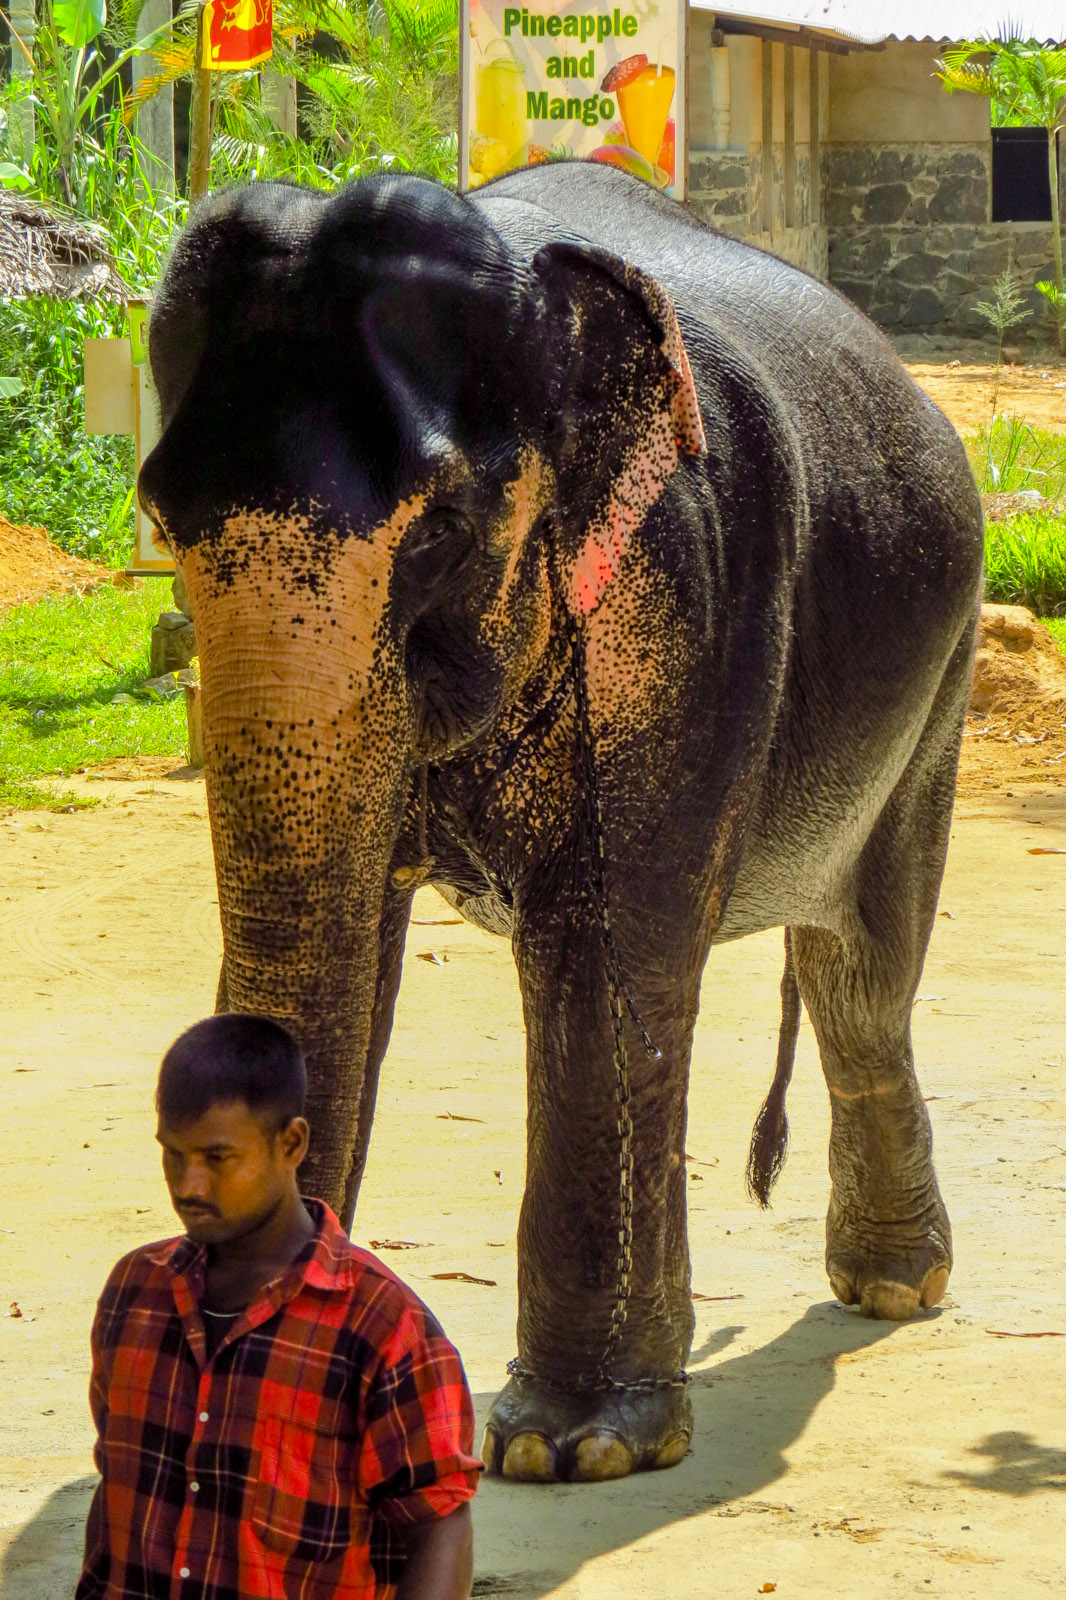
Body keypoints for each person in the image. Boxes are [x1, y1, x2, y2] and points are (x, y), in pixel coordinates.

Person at [77, 1014, 479, 1600]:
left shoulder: (385, 1329)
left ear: (291, 1144)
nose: (188, 1185)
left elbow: (440, 1526)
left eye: (216, 1159)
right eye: (173, 1154)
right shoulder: (133, 1294)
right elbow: (118, 1491)